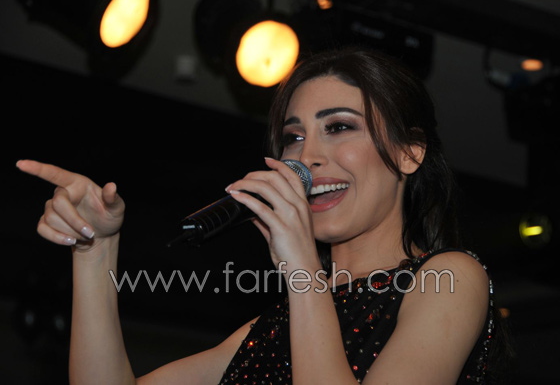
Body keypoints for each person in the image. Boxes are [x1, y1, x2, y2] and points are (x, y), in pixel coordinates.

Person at [16, 46, 506, 384]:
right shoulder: (280, 324)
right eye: (294, 137)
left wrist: (302, 270)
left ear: (409, 153)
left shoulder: (449, 279)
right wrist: (94, 248)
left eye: (339, 127)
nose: (305, 158)